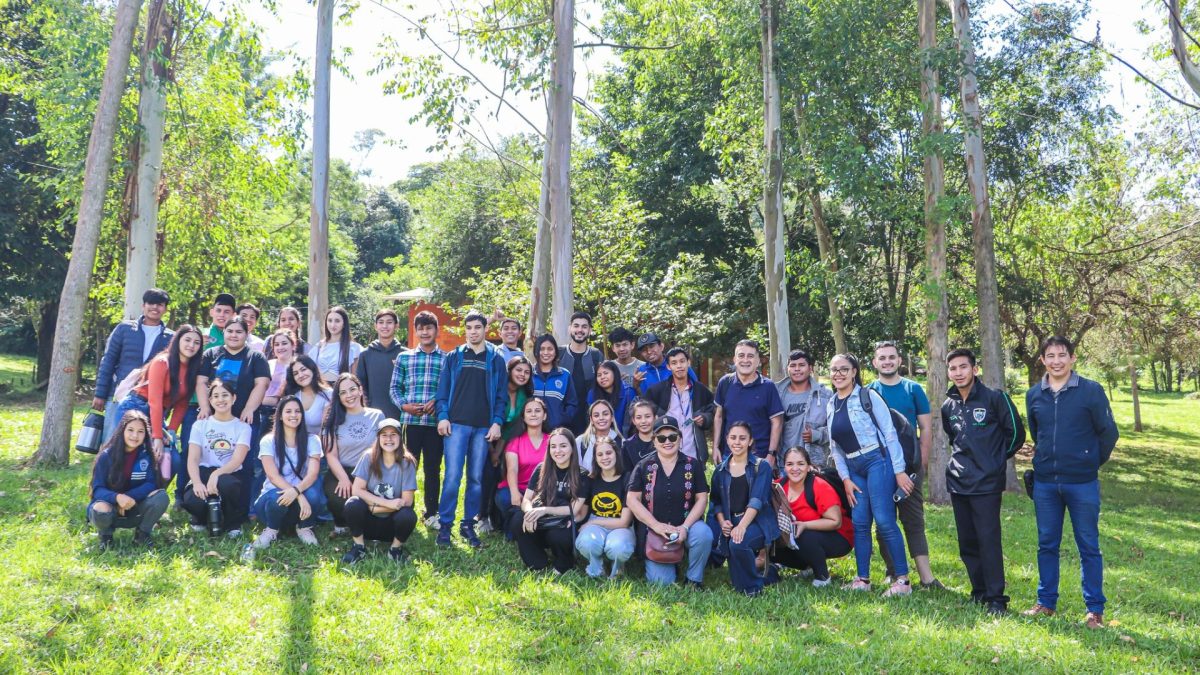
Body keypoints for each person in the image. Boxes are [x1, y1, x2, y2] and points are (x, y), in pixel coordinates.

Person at [1023, 336, 1118, 630]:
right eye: (1050, 356)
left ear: (1072, 358)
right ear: (1042, 361)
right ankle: (1046, 603)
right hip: (1046, 485)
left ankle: (1094, 611)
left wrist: (1088, 462)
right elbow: (1038, 435)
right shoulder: (1034, 395)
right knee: (1046, 544)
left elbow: (1108, 433)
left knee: (1088, 545)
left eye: (1062, 355)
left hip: (1082, 484)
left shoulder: (1091, 391)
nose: (1056, 361)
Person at [941, 348, 1026, 615]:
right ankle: (978, 592)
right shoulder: (948, 405)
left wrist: (995, 461)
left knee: (988, 540)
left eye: (963, 367)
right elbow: (953, 438)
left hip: (986, 484)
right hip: (958, 482)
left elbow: (1016, 434)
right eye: (953, 368)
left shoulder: (995, 398)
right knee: (967, 541)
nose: (958, 372)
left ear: (974, 369)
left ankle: (996, 599)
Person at [826, 354, 914, 597]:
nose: (838, 374)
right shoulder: (832, 403)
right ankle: (862, 579)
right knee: (860, 523)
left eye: (844, 369)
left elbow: (889, 434)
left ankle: (903, 581)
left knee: (885, 520)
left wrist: (899, 471)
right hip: (854, 469)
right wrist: (845, 479)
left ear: (854, 371)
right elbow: (835, 448)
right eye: (834, 370)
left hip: (878, 461)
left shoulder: (868, 397)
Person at [868, 340, 941, 589]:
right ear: (875, 362)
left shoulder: (913, 389)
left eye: (891, 357)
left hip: (910, 467)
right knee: (884, 520)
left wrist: (921, 462)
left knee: (913, 520)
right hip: (880, 467)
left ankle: (926, 577)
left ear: (899, 361)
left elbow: (926, 428)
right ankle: (893, 571)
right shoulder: (869, 391)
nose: (887, 361)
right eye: (882, 358)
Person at [434, 310, 507, 548]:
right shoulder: (454, 356)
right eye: (469, 328)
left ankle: (468, 525)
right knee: (453, 477)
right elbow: (442, 391)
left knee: (475, 478)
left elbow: (501, 395)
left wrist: (497, 421)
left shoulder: (495, 359)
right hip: (456, 425)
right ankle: (445, 526)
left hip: (482, 427)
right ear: (465, 330)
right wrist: (443, 416)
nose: (473, 332)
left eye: (478, 327)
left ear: (486, 329)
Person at [113, 324, 203, 499]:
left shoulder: (194, 368)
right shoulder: (163, 362)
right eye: (187, 340)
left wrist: (170, 432)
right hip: (136, 407)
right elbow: (155, 401)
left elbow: (182, 404)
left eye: (196, 342)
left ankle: (150, 499)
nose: (191, 345)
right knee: (129, 456)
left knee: (173, 459)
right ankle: (116, 499)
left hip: (158, 414)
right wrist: (157, 438)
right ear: (177, 341)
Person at [195, 316, 271, 518]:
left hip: (244, 421)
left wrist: (249, 408)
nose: (234, 335)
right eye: (230, 331)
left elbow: (261, 384)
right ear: (224, 333)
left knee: (245, 465)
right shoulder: (211, 354)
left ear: (246, 335)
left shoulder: (255, 357)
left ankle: (244, 510)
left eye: (239, 331)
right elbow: (202, 382)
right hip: (214, 418)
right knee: (207, 459)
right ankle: (204, 506)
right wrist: (205, 407)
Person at [627, 415, 713, 588]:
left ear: (680, 439)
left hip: (687, 525)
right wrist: (656, 525)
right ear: (654, 441)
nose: (668, 441)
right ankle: (671, 562)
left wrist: (685, 527)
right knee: (662, 584)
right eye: (661, 438)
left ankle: (694, 578)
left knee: (704, 534)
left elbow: (702, 498)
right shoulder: (644, 466)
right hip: (655, 531)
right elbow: (632, 499)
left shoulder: (692, 465)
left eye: (673, 437)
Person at [93, 288, 174, 444]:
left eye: (160, 305)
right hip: (118, 394)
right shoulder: (124, 329)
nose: (155, 308)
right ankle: (106, 468)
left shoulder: (171, 337)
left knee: (141, 442)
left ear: (165, 309)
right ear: (143, 305)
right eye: (151, 303)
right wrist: (100, 393)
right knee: (112, 440)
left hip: (148, 398)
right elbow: (108, 361)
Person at [706, 421, 779, 596]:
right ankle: (770, 575)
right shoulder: (720, 470)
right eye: (733, 438)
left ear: (750, 441)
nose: (737, 442)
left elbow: (757, 500)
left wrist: (742, 526)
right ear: (727, 440)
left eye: (742, 438)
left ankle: (753, 590)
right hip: (732, 522)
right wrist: (724, 523)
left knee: (738, 543)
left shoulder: (761, 466)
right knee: (736, 579)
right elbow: (715, 502)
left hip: (758, 522)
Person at [390, 310, 446, 529]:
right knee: (407, 466)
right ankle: (406, 509)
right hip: (410, 422)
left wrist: (438, 401)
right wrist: (404, 405)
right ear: (415, 331)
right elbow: (395, 387)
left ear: (436, 331)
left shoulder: (447, 359)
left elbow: (450, 389)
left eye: (429, 328)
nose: (425, 332)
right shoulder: (405, 357)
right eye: (420, 328)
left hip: (434, 424)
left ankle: (432, 513)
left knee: (433, 468)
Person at [771, 446, 853, 586]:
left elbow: (836, 521)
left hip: (839, 536)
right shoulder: (778, 486)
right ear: (784, 467)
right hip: (798, 537)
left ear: (809, 466)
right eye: (790, 464)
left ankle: (822, 577)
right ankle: (806, 566)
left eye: (800, 464)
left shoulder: (819, 486)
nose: (795, 468)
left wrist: (805, 525)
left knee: (803, 534)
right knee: (770, 538)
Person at [341, 419, 419, 565]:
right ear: (378, 438)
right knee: (352, 504)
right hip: (367, 522)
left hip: (391, 525)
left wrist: (374, 506)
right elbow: (356, 489)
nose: (388, 439)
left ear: (400, 437)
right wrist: (384, 504)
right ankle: (359, 546)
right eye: (384, 435)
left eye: (393, 434)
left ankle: (395, 549)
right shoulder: (368, 457)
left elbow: (407, 501)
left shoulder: (407, 462)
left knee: (408, 515)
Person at [87, 411, 170, 550]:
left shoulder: (147, 455)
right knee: (100, 508)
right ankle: (106, 537)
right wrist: (117, 498)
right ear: (122, 431)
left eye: (140, 431)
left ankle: (142, 534)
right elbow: (97, 489)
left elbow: (151, 483)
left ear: (145, 435)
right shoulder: (106, 456)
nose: (135, 436)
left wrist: (128, 498)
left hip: (134, 508)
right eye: (130, 430)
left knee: (161, 497)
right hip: (110, 509)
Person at [250, 396, 323, 552]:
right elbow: (272, 476)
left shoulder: (312, 440)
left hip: (299, 500)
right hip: (271, 499)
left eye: (297, 411)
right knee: (278, 498)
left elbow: (312, 475)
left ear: (302, 415)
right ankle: (271, 530)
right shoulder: (268, 441)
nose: (293, 415)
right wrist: (298, 495)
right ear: (280, 416)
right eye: (288, 411)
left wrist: (297, 492)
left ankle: (304, 528)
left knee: (315, 496)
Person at [511, 428, 589, 574]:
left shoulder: (582, 475)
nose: (558, 451)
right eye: (553, 446)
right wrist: (530, 513)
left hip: (563, 522)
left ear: (572, 448)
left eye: (563, 446)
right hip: (542, 520)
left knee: (558, 536)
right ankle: (537, 559)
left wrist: (544, 510)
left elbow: (574, 509)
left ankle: (564, 562)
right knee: (517, 519)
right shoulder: (542, 468)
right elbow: (527, 499)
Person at [181, 378, 252, 537]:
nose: (221, 400)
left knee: (227, 485)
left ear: (233, 398)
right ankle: (200, 517)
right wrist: (198, 482)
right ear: (210, 400)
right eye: (216, 396)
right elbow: (192, 459)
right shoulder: (200, 425)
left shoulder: (242, 427)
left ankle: (231, 523)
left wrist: (217, 474)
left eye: (225, 395)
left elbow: (237, 460)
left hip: (229, 473)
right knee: (193, 498)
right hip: (203, 471)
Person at [322, 374, 386, 535]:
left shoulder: (377, 415)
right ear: (338, 397)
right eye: (343, 392)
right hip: (343, 470)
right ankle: (341, 523)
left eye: (352, 389)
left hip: (371, 471)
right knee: (339, 495)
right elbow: (330, 455)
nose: (349, 395)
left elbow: (385, 447)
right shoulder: (332, 420)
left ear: (360, 390)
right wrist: (344, 478)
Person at [482, 355, 534, 533]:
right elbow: (486, 420)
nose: (522, 375)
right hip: (483, 436)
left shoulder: (523, 395)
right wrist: (490, 450)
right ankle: (481, 516)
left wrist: (498, 452)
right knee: (485, 476)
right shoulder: (496, 389)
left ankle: (496, 519)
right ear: (509, 371)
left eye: (527, 372)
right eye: (518, 370)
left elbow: (512, 426)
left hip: (505, 442)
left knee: (500, 476)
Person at [713, 340, 784, 465]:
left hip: (759, 459)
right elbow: (718, 417)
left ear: (758, 361)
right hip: (729, 457)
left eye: (750, 356)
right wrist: (715, 447)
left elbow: (777, 422)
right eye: (741, 356)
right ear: (735, 359)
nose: (745, 360)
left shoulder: (768, 387)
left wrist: (771, 454)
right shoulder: (725, 383)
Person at [575, 437, 635, 578]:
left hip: (620, 525)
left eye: (608, 453)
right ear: (595, 458)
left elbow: (624, 522)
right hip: (596, 522)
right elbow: (582, 513)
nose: (605, 458)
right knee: (586, 542)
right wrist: (572, 519)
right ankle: (597, 567)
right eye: (600, 454)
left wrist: (592, 522)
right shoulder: (590, 480)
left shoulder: (628, 479)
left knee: (618, 547)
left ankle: (617, 567)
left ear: (616, 454)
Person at [644, 346, 715, 461]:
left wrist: (704, 418)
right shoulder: (657, 391)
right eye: (674, 363)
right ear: (668, 366)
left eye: (682, 361)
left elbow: (711, 411)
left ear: (689, 363)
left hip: (693, 453)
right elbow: (645, 410)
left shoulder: (700, 390)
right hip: (666, 453)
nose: (679, 366)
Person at [498, 398, 550, 536]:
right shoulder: (516, 441)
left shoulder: (552, 441)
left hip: (541, 490)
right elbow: (512, 469)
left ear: (544, 416)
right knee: (505, 498)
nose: (533, 414)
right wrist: (515, 492)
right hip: (517, 486)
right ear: (524, 417)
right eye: (529, 411)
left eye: (538, 411)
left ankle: (529, 527)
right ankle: (512, 526)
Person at [774, 349, 833, 469]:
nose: (797, 369)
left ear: (810, 368)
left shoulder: (825, 395)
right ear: (787, 369)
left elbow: (836, 429)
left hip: (815, 464)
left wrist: (817, 435)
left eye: (801, 365)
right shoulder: (776, 394)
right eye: (793, 365)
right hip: (784, 464)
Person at [558, 311, 603, 434]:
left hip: (589, 418)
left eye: (584, 326)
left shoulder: (596, 355)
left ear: (589, 330)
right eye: (576, 326)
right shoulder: (559, 354)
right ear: (570, 329)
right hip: (562, 418)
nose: (580, 330)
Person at [356, 309, 403, 421]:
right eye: (381, 322)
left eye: (389, 322)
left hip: (401, 414)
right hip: (373, 415)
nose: (385, 326)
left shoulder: (405, 354)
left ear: (396, 326)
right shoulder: (365, 355)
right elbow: (361, 386)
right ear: (375, 326)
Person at [530, 333, 576, 431]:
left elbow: (572, 403)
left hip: (557, 432)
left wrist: (562, 419)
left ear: (555, 352)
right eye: (542, 349)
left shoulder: (564, 375)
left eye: (550, 349)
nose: (546, 352)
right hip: (531, 430)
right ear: (536, 351)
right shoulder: (529, 373)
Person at [284, 355, 332, 437]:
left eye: (303, 370)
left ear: (312, 369)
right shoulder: (292, 396)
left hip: (322, 443)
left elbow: (327, 429)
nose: (300, 375)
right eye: (295, 373)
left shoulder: (328, 394)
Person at [313, 305, 363, 385]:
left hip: (342, 391)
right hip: (321, 390)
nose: (333, 325)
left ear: (344, 324)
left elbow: (355, 378)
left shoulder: (353, 348)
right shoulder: (319, 346)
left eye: (337, 321)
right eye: (330, 320)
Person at [587, 360, 636, 434]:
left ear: (615, 374)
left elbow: (628, 424)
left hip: (624, 437)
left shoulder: (628, 392)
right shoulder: (592, 394)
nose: (602, 377)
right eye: (599, 375)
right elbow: (591, 420)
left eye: (606, 373)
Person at [575, 400, 624, 468]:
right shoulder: (580, 442)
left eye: (605, 414)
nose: (601, 418)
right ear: (591, 420)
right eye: (596, 415)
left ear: (612, 417)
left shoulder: (622, 443)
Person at [263, 330, 299, 411]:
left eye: (284, 343)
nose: (280, 347)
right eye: (276, 344)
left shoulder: (299, 366)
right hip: (264, 410)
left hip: (290, 410)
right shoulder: (267, 365)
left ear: (293, 345)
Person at [622, 400, 658, 470]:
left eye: (647, 416)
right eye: (639, 417)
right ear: (633, 421)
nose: (643, 421)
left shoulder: (663, 440)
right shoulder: (628, 445)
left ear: (655, 418)